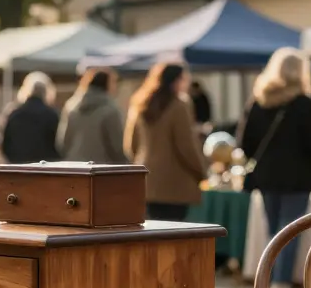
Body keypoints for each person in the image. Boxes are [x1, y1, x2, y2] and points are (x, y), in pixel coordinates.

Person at [237, 48, 311, 288]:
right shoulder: (302, 103)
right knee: (289, 233)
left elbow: (245, 143)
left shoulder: (259, 100)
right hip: (296, 177)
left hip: (266, 177)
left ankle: (266, 285)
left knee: (273, 231)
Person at [125, 62, 205, 221]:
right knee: (173, 234)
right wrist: (201, 172)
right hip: (175, 182)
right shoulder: (179, 105)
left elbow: (130, 144)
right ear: (177, 80)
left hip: (147, 179)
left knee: (153, 231)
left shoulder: (141, 104)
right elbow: (186, 146)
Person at [57, 68, 128, 164]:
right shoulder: (110, 111)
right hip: (100, 171)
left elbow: (62, 143)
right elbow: (118, 147)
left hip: (74, 168)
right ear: (107, 84)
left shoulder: (71, 107)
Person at [1, 72, 61, 164]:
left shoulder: (14, 114)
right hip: (44, 168)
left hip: (18, 168)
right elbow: (59, 145)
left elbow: (5, 146)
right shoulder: (52, 115)